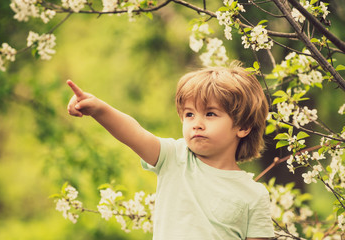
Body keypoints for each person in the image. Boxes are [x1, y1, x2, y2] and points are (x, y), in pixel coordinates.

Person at [67, 63, 275, 240]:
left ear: (243, 127)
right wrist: (99, 109)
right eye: (189, 114)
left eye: (210, 114)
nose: (197, 124)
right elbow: (134, 133)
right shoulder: (174, 157)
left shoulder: (254, 196)